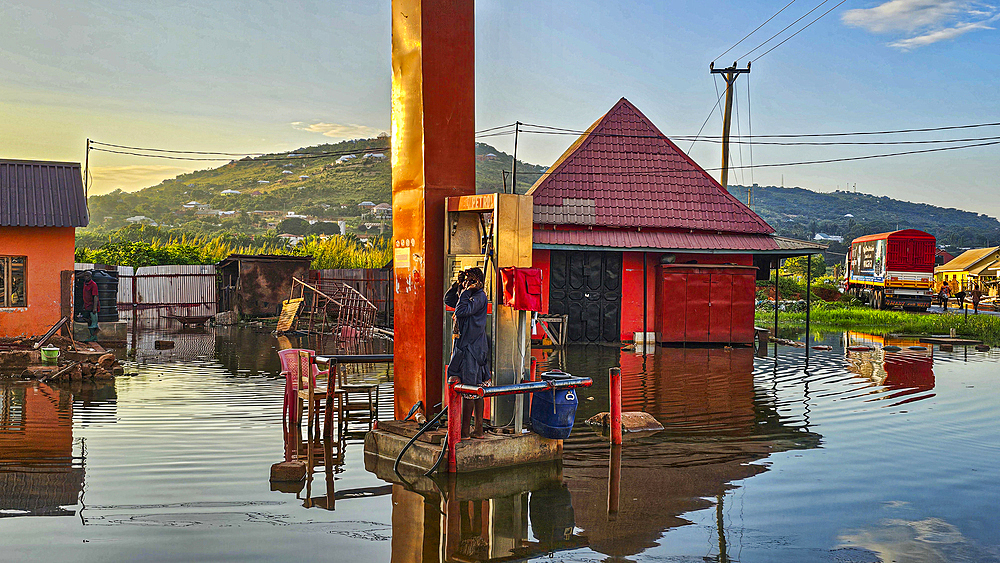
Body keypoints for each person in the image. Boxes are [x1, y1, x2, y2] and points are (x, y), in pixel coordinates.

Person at [444, 267, 491, 439]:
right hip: (464, 346)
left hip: (473, 348)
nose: (466, 284)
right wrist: (457, 284)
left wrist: (467, 291)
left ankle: (466, 431)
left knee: (472, 388)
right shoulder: (466, 295)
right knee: (472, 385)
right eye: (466, 280)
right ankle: (477, 429)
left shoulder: (479, 297)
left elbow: (460, 311)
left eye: (471, 280)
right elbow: (448, 300)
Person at [81, 271, 101, 342]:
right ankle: (92, 335)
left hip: (92, 306)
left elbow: (95, 296)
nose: (86, 277)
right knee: (87, 320)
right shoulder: (85, 284)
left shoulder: (93, 284)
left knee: (93, 323)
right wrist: (84, 305)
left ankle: (93, 337)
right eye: (85, 276)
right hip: (87, 305)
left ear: (91, 276)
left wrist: (95, 308)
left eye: (88, 276)